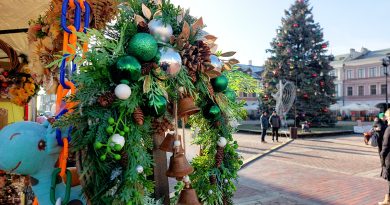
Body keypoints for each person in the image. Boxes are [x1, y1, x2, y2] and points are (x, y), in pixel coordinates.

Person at [379, 109, 390, 205]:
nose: (385, 118)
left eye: (386, 116)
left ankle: (388, 200)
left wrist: (382, 160)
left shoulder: (389, 129)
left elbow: (385, 147)